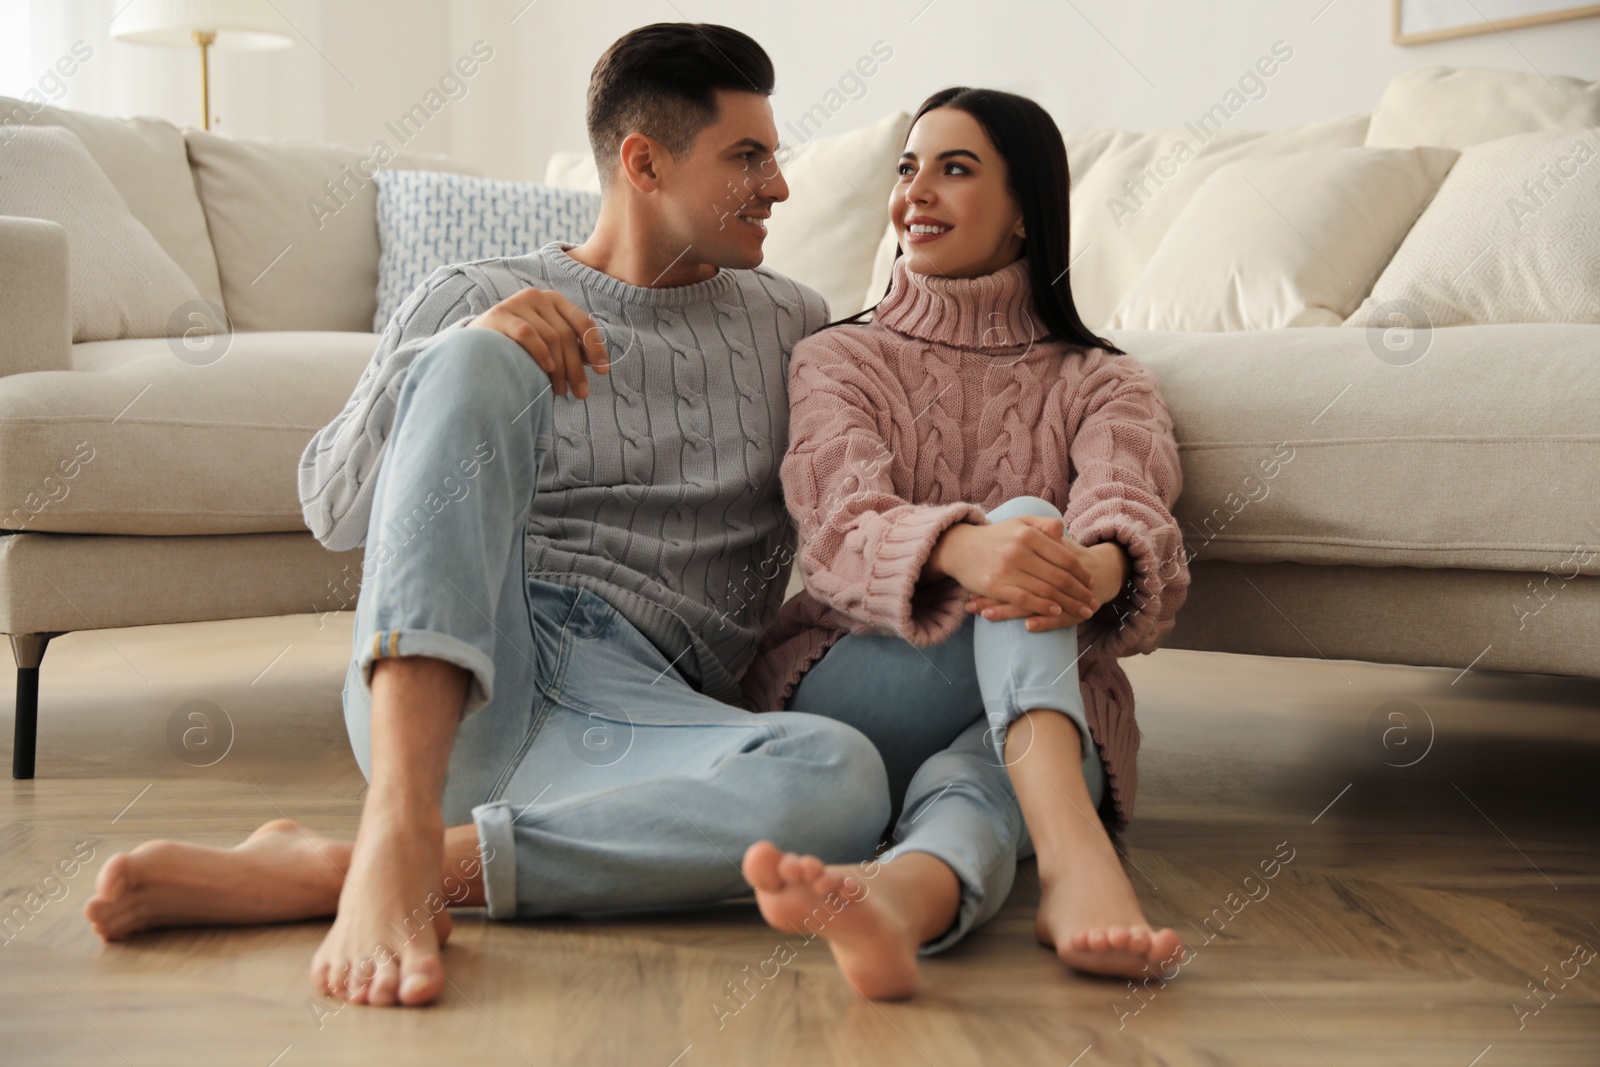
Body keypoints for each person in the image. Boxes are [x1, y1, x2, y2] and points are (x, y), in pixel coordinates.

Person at [81, 23, 893, 1009]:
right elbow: (333, 508)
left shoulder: (795, 322)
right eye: (747, 156)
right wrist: (452, 353)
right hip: (458, 678)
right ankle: (399, 818)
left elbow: (865, 490)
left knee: (841, 778)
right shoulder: (476, 292)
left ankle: (356, 864)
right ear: (643, 162)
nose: (779, 186)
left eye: (774, 155)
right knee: (474, 358)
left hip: (634, 715)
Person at [738, 87, 1191, 999]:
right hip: (858, 682)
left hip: (1032, 719)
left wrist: (1096, 569)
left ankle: (906, 897)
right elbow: (837, 528)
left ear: (1027, 209)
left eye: (955, 168)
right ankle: (1075, 856)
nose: (916, 192)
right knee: (1027, 521)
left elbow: (1135, 511)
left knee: (991, 767)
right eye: (909, 168)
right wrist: (964, 549)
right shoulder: (839, 358)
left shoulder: (1104, 381)